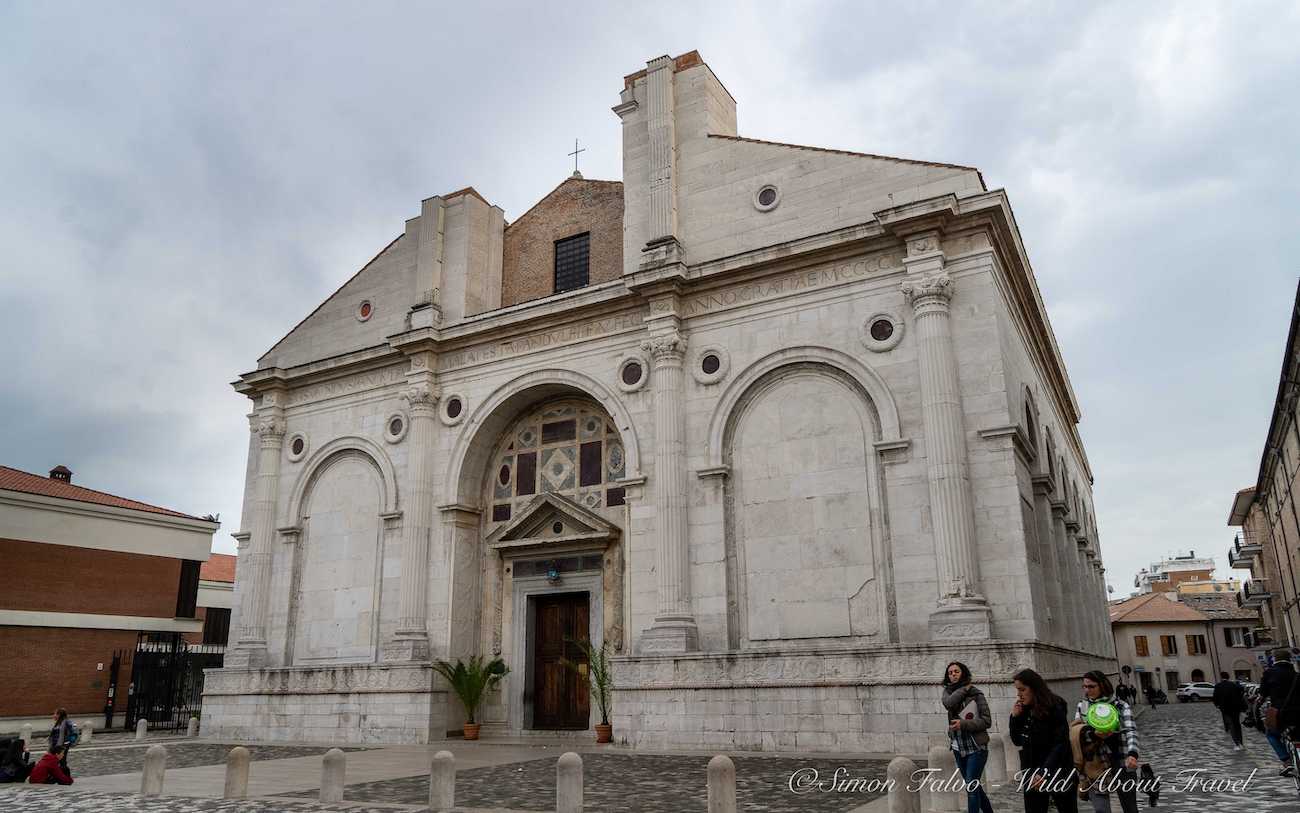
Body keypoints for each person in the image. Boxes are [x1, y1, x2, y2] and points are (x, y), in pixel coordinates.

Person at [1010, 668, 1077, 813]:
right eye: (1017, 690)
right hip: (1031, 769)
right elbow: (1017, 741)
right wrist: (1014, 718)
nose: (1019, 694)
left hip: (1057, 769)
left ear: (1034, 687)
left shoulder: (1055, 706)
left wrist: (1044, 772)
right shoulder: (1024, 709)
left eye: (1022, 689)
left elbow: (1060, 743)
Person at [1073, 671, 1139, 813]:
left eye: (1091, 686)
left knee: (1130, 807)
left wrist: (1133, 754)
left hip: (1120, 761)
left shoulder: (1120, 705)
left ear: (1102, 685)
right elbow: (1077, 732)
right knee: (1101, 810)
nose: (1087, 690)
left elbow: (1131, 731)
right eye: (1084, 687)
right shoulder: (1083, 706)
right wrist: (1094, 735)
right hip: (1095, 763)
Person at [941, 661, 995, 813]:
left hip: (976, 747)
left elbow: (987, 721)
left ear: (963, 673)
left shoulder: (976, 694)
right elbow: (949, 703)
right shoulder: (947, 693)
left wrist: (963, 724)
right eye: (950, 673)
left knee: (971, 788)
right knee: (974, 786)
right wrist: (964, 689)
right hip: (959, 747)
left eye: (956, 671)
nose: (953, 675)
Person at [1260, 648, 1300, 775]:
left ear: (1275, 660)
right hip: (1298, 713)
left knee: (1271, 734)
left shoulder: (1269, 673)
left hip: (1280, 713)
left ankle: (1287, 761)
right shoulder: (1296, 674)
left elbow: (1263, 693)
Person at [1211, 671, 1245, 750]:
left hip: (1225, 709)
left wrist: (1218, 705)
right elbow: (1241, 690)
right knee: (1237, 725)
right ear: (1228, 677)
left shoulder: (1218, 686)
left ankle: (1237, 744)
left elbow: (1215, 698)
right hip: (1236, 708)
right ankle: (1241, 743)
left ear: (1221, 677)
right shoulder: (1233, 685)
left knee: (1231, 725)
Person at [48, 708, 78, 774]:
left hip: (62, 746)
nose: (53, 715)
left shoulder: (67, 722)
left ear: (59, 715)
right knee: (53, 760)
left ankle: (65, 776)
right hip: (55, 746)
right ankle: (56, 775)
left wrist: (67, 743)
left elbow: (74, 732)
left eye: (55, 714)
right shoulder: (58, 723)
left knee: (62, 760)